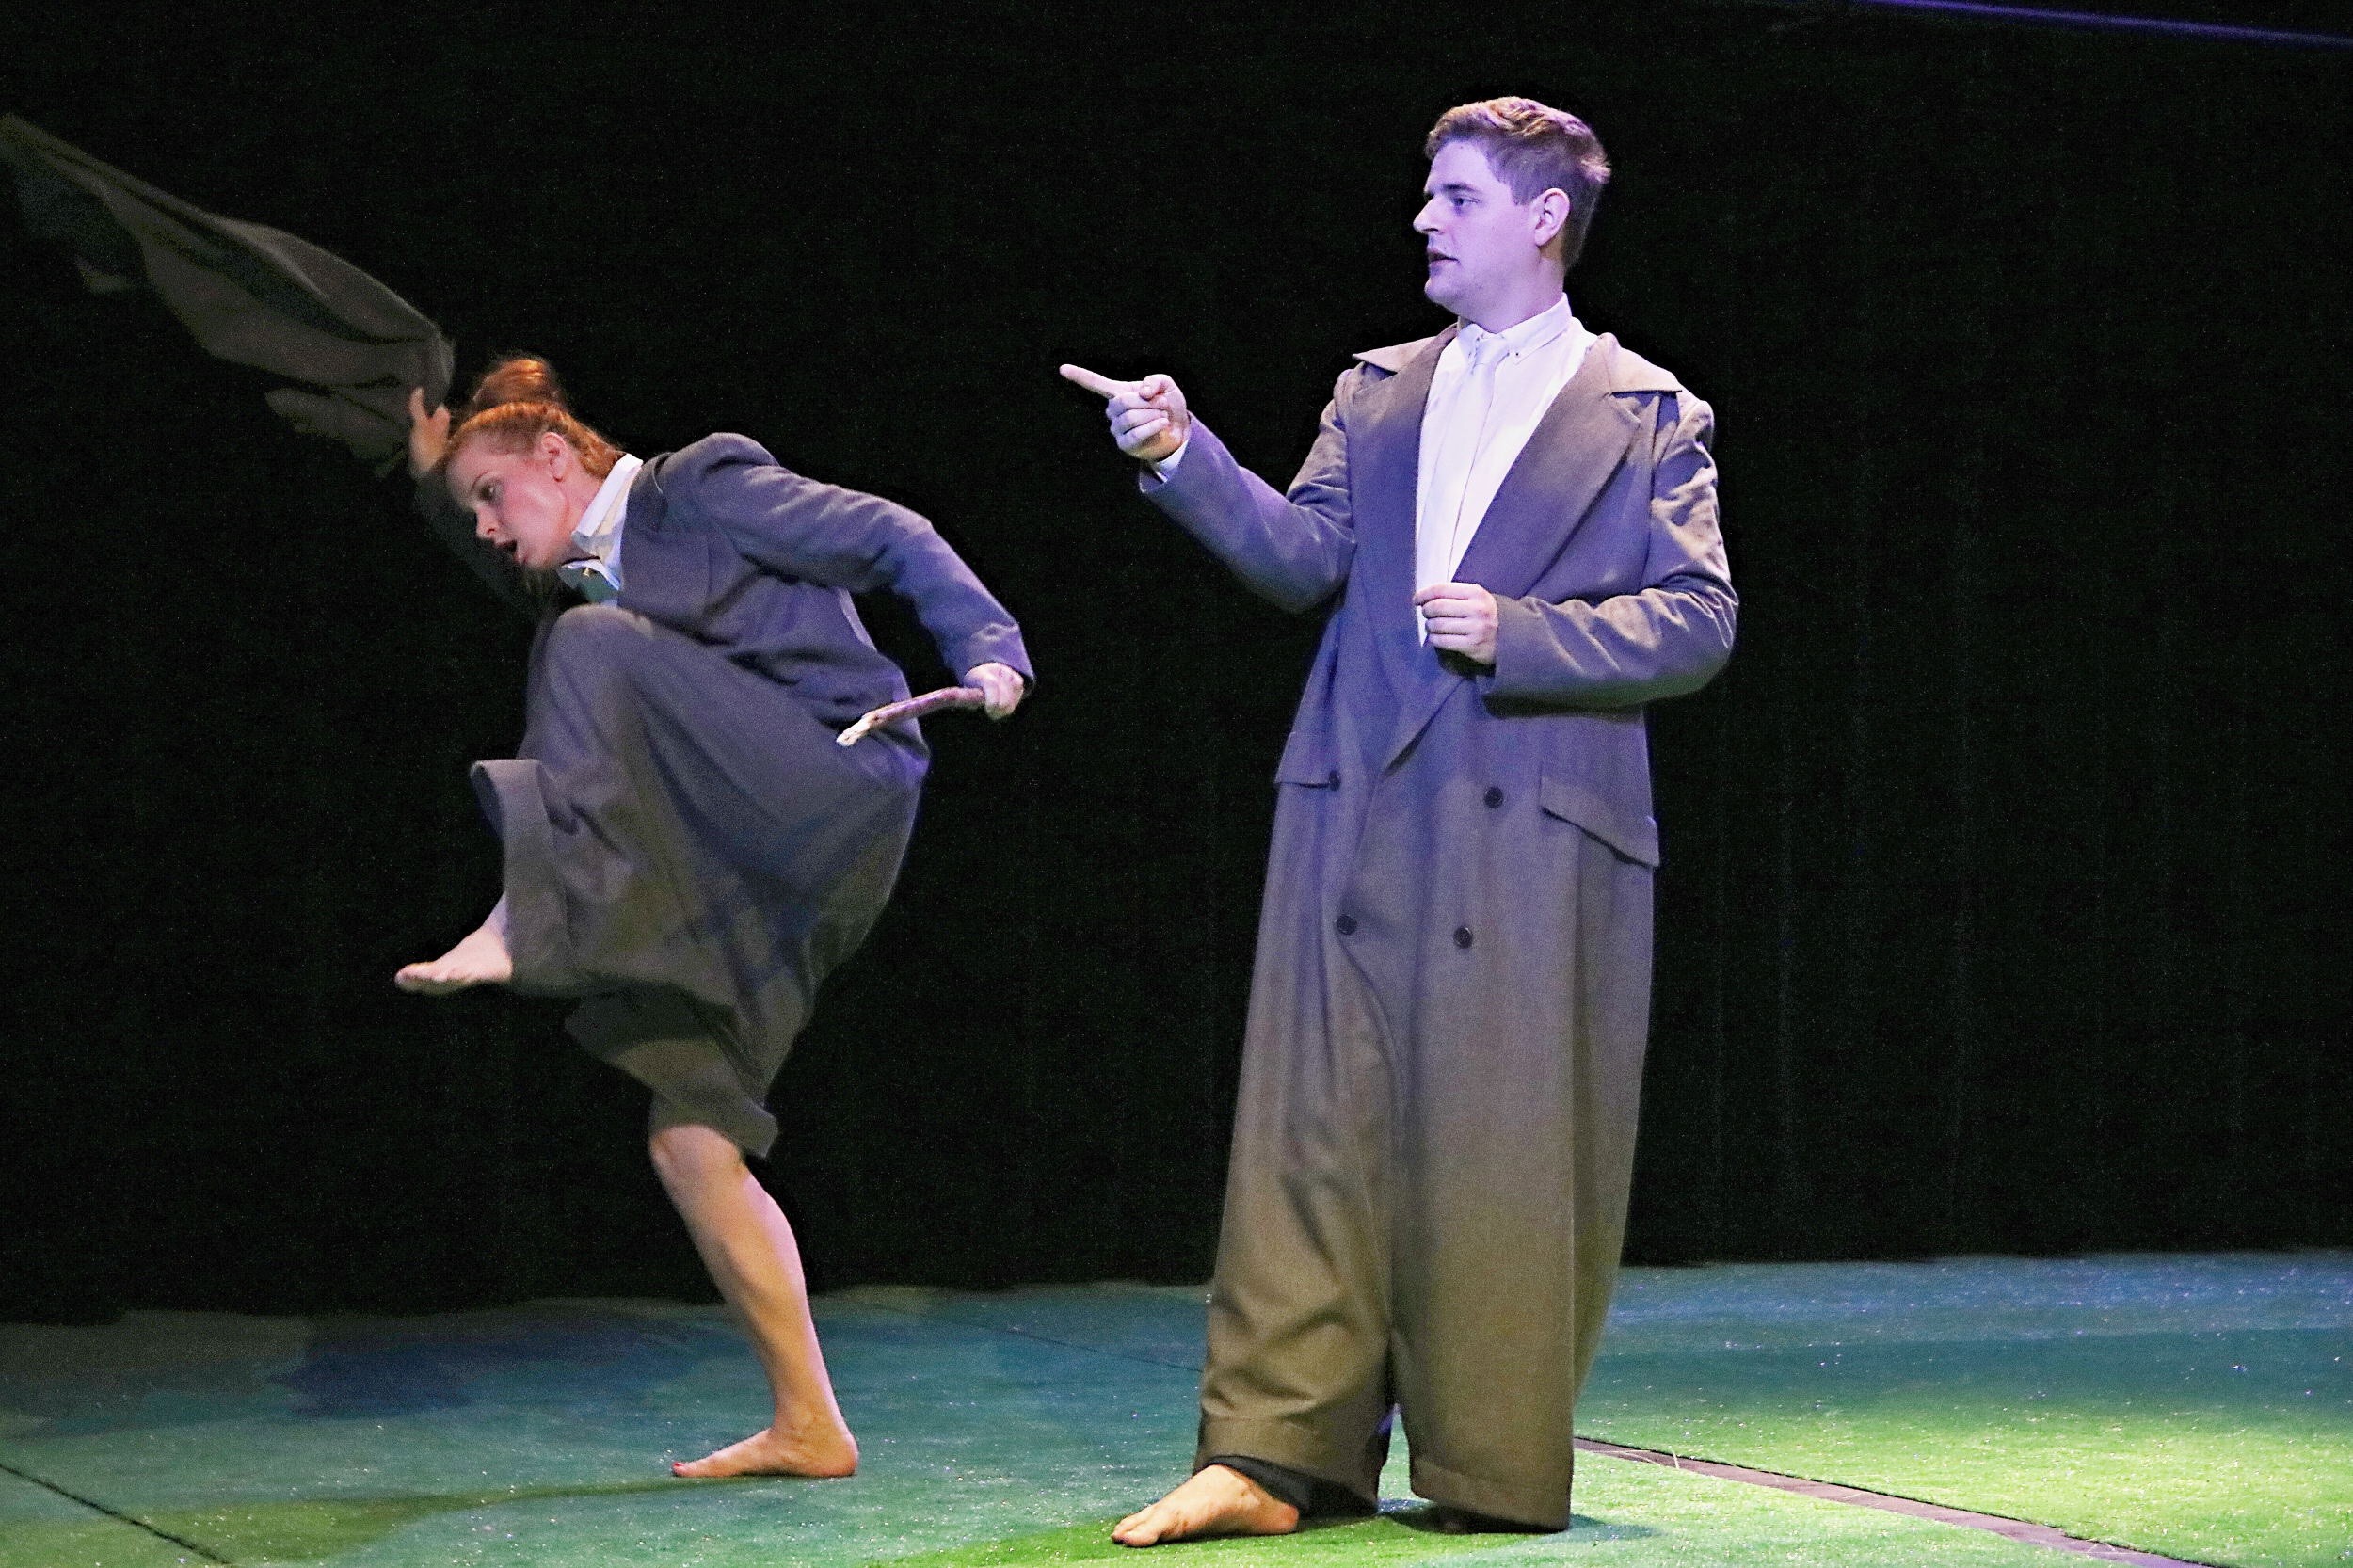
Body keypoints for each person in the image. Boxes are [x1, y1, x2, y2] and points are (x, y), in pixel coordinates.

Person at [1063, 98, 1735, 1542]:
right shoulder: (1378, 389)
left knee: (1498, 1148)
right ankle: (1267, 1457)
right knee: (1312, 1131)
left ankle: (1488, 1464)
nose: (1425, 219)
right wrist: (1180, 452)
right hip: (1362, 796)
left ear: (1543, 218)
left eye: (1457, 197)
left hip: (1533, 821)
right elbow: (1304, 558)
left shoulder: (1647, 411)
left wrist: (1523, 631)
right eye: (1428, 195)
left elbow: (1699, 618)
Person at [395, 358, 1032, 1479]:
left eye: (493, 495)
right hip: (756, 865)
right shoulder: (591, 575)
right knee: (691, 1139)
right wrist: (430, 481)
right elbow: (515, 565)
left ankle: (530, 915)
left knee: (583, 646)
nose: (488, 527)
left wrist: (989, 649)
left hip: (833, 773)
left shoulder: (698, 488)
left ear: (558, 456)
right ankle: (808, 1422)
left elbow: (894, 534)